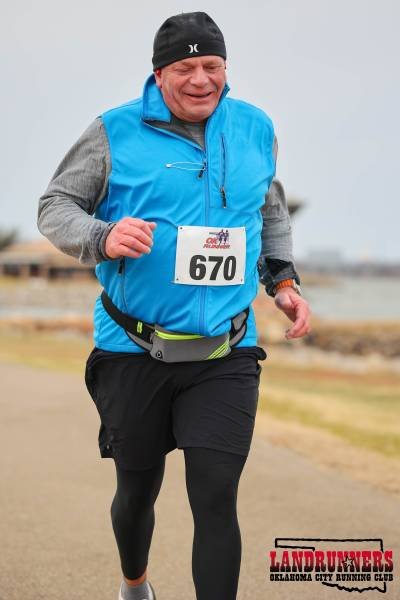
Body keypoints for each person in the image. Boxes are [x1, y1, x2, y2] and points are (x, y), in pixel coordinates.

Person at [38, 11, 311, 600]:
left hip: (225, 351)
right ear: (159, 74)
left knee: (215, 495)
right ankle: (134, 583)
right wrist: (102, 236)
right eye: (185, 68)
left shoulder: (255, 128)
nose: (200, 79)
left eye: (212, 66)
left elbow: (268, 211)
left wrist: (283, 282)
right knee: (137, 491)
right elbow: (55, 206)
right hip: (133, 348)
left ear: (225, 68)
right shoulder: (113, 131)